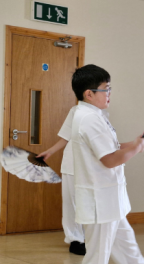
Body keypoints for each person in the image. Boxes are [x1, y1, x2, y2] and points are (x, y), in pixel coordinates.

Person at [71, 64, 144, 264]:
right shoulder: (89, 119)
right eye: (105, 88)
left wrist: (136, 142)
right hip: (101, 203)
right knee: (97, 258)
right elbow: (109, 160)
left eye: (110, 88)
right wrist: (137, 148)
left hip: (111, 202)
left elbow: (112, 147)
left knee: (130, 254)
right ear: (89, 94)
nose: (109, 93)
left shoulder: (95, 115)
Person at [36, 91, 86, 254]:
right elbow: (66, 137)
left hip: (92, 165)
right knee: (71, 203)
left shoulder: (103, 114)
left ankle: (88, 237)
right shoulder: (75, 111)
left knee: (87, 202)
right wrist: (50, 151)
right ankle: (75, 239)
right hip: (72, 163)